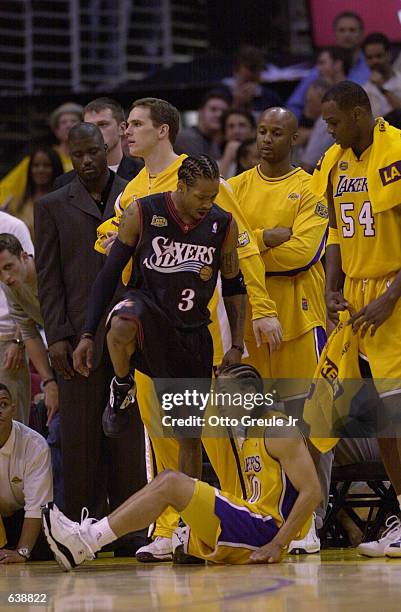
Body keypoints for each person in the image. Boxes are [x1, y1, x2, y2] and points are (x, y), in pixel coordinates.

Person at [93, 97, 282, 561]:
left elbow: (243, 249)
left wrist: (261, 308)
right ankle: (171, 525)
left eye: (135, 124)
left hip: (204, 328)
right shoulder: (133, 192)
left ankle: (243, 515)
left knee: (214, 436)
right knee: (161, 432)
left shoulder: (203, 178)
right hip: (150, 328)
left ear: (163, 130)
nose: (125, 131)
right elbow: (109, 243)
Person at [41, 363, 322, 570]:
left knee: (172, 482)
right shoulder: (247, 431)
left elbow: (312, 492)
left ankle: (87, 540)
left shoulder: (278, 428)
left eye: (225, 394)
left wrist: (278, 543)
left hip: (266, 529)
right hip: (252, 521)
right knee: (167, 481)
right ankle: (88, 536)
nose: (219, 402)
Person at [74, 155, 247, 479]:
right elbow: (109, 274)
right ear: (181, 187)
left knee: (189, 438)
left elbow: (235, 287)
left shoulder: (222, 224)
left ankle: (190, 516)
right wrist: (86, 333)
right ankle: (122, 384)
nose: (207, 204)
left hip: (191, 332)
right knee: (123, 322)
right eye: (201, 197)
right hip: (148, 314)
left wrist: (236, 344)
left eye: (213, 197)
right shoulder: (142, 212)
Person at [34, 123, 147, 541]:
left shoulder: (135, 195)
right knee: (80, 439)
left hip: (129, 332)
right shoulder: (51, 205)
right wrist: (58, 336)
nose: (86, 162)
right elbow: (47, 279)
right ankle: (79, 532)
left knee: (129, 436)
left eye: (92, 153)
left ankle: (133, 532)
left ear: (107, 148)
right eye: (77, 154)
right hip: (75, 335)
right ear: (69, 154)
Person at [228, 107, 329, 553]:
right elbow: (224, 250)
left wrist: (249, 246)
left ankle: (310, 522)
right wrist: (267, 237)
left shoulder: (312, 187)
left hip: (301, 321)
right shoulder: (235, 188)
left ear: (295, 138)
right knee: (253, 426)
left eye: (277, 133)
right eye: (262, 131)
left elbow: (303, 253)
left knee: (311, 425)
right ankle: (260, 512)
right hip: (250, 323)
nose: (266, 139)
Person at [311, 80, 401, 557]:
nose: (328, 131)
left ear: (361, 114)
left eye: (334, 121)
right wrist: (330, 286)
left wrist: (390, 298)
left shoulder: (397, 150)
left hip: (394, 295)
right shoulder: (334, 162)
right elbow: (336, 234)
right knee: (362, 412)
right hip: (356, 303)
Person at [0, 234, 59, 426]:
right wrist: (49, 383)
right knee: (56, 427)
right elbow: (29, 333)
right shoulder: (10, 288)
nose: (6, 278)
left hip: (84, 339)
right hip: (58, 350)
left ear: (24, 256)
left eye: (9, 267)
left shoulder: (49, 270)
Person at [0, 383, 53, 563]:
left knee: (43, 550)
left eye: (3, 404)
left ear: (13, 410)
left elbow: (36, 506)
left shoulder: (34, 446)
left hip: (23, 518)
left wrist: (22, 552)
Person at [287, 11, 369, 119]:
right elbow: (294, 105)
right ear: (335, 34)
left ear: (362, 34)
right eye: (342, 30)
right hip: (321, 127)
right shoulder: (322, 67)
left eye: (352, 30)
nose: (347, 34)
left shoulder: (370, 66)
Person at [0, 102, 82, 207]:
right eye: (63, 122)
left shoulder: (90, 158)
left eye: (73, 121)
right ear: (56, 131)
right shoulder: (42, 158)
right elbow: (8, 187)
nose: (68, 125)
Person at [54, 98, 143, 187]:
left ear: (122, 128)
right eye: (89, 126)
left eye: (103, 124)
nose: (95, 131)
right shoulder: (65, 182)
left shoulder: (145, 174)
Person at [0, 212, 33, 423]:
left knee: (13, 422)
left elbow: (29, 283)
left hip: (9, 340)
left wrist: (18, 341)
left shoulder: (13, 226)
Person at [4, 146, 64, 238]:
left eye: (46, 165)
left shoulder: (65, 201)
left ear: (55, 168)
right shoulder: (16, 203)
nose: (40, 170)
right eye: (36, 165)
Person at [220, 46, 282, 114]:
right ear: (236, 69)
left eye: (259, 68)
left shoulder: (271, 99)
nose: (255, 73)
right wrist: (237, 104)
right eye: (251, 68)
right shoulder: (221, 95)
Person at [174, 91, 230, 158]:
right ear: (200, 112)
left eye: (223, 112)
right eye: (213, 109)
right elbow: (202, 167)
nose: (219, 115)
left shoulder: (213, 141)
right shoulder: (187, 138)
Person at [362, 33, 401, 118]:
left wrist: (382, 89)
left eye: (379, 56)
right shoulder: (364, 92)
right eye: (370, 58)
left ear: (389, 54)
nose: (375, 61)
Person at [219, 109, 256, 178]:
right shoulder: (215, 164)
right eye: (231, 126)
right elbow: (215, 188)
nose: (236, 131)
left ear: (253, 131)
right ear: (224, 133)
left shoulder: (262, 161)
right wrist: (227, 158)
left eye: (242, 125)